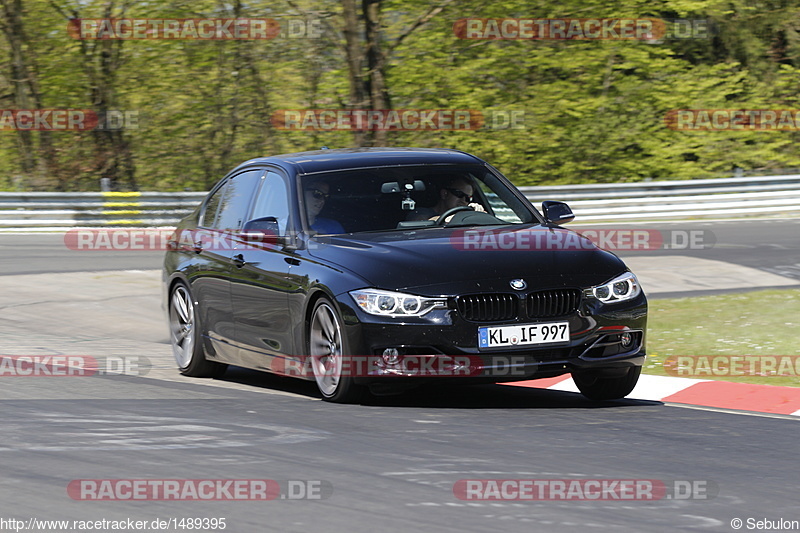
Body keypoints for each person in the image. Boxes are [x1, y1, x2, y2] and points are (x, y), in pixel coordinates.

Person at [407, 177, 484, 221]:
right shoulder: (421, 212)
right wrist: (455, 218)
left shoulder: (465, 218)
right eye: (459, 194)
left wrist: (477, 214)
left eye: (468, 198)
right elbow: (420, 222)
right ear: (444, 194)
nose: (463, 200)